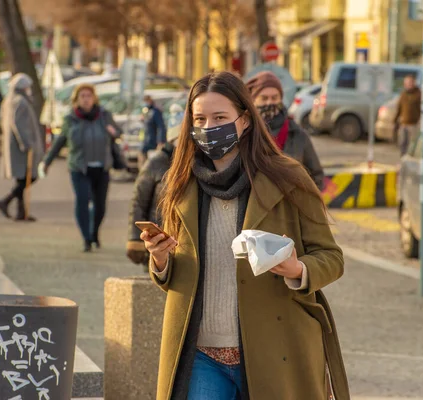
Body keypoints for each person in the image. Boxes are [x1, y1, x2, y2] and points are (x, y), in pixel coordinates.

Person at [139, 72, 349, 399]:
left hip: (273, 351)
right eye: (200, 118)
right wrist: (160, 258)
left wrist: (298, 270)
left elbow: (332, 258)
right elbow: (173, 277)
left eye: (220, 117)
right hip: (201, 354)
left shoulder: (288, 178)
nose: (209, 127)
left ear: (245, 120)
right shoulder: (179, 183)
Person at [41, 84, 121, 252]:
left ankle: (94, 233)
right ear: (77, 100)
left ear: (94, 99)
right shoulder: (71, 119)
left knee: (100, 206)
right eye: (82, 96)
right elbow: (59, 142)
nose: (86, 99)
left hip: (102, 167)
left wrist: (114, 132)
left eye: (89, 96)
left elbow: (118, 132)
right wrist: (46, 162)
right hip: (79, 167)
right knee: (82, 200)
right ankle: (86, 238)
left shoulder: (104, 116)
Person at [126, 103, 183, 269]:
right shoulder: (156, 163)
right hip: (158, 240)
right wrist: (134, 239)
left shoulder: (197, 164)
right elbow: (138, 201)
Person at [246, 71, 325, 190]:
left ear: (281, 99)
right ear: (253, 101)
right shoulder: (245, 134)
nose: (269, 102)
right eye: (264, 98)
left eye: (274, 98)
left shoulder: (298, 135)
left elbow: (316, 176)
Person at [0, 73, 44, 222]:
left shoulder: (9, 101)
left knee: (22, 178)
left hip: (14, 146)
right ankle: (6, 201)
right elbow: (19, 125)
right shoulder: (20, 102)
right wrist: (27, 144)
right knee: (29, 177)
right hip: (20, 147)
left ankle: (21, 212)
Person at [395, 74, 421, 156]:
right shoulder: (403, 94)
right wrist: (395, 120)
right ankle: (402, 159)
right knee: (402, 143)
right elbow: (399, 108)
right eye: (407, 83)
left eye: (410, 82)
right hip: (404, 123)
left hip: (413, 124)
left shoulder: (418, 94)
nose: (409, 85)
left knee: (412, 145)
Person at [139, 95, 167, 167]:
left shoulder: (156, 112)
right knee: (142, 160)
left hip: (153, 142)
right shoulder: (146, 111)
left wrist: (160, 141)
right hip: (145, 141)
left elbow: (161, 127)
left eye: (146, 101)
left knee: (152, 164)